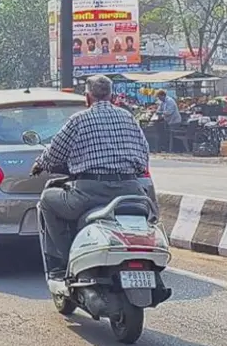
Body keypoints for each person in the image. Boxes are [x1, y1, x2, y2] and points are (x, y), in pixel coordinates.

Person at [31, 74, 152, 279]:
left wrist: (39, 164)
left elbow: (55, 151)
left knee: (47, 200)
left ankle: (65, 261)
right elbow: (144, 154)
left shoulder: (79, 120)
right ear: (112, 97)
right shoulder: (128, 118)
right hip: (131, 191)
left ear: (87, 98)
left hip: (90, 194)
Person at [155, 88, 182, 153]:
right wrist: (157, 112)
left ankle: (172, 148)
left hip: (175, 121)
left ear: (163, 95)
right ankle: (164, 147)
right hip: (168, 121)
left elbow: (169, 112)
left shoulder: (170, 101)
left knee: (169, 134)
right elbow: (159, 109)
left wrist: (160, 113)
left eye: (159, 97)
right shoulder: (162, 102)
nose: (159, 98)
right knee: (163, 132)